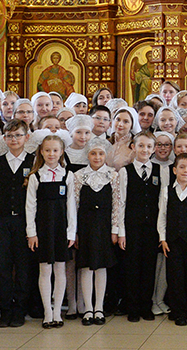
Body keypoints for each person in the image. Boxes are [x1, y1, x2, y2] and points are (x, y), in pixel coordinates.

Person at [0, 119, 35, 327]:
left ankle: (20, 309)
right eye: (10, 136)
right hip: (2, 221)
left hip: (25, 222)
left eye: (18, 135)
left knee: (23, 267)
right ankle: (5, 310)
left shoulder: (34, 162)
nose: (14, 139)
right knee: (3, 266)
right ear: (4, 138)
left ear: (26, 137)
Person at [25, 134, 76, 328]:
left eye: (55, 150)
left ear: (61, 152)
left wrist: (71, 232)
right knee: (45, 270)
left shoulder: (67, 175)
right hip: (43, 230)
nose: (51, 154)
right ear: (41, 152)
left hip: (61, 229)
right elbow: (30, 207)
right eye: (47, 150)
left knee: (60, 269)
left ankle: (57, 311)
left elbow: (71, 207)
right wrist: (31, 233)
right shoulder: (36, 177)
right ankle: (47, 311)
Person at [71, 145, 122, 325]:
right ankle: (88, 308)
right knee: (86, 266)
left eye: (101, 153)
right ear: (88, 155)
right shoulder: (78, 176)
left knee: (101, 267)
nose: (97, 157)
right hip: (85, 227)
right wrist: (75, 232)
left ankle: (99, 307)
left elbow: (117, 204)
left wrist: (115, 229)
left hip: (104, 227)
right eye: (93, 153)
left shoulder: (113, 176)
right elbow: (74, 205)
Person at [158, 152, 187, 325]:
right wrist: (163, 238)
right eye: (182, 167)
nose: (185, 171)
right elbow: (162, 217)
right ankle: (179, 312)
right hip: (172, 241)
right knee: (175, 276)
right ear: (175, 170)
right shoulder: (167, 192)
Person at [119, 132, 161, 322]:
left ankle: (146, 305)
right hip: (132, 227)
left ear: (154, 149)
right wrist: (121, 232)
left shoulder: (160, 171)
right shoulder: (125, 172)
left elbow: (162, 202)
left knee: (149, 267)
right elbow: (121, 203)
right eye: (141, 146)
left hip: (152, 228)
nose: (145, 150)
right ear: (133, 147)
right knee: (132, 267)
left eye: (149, 146)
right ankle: (132, 306)